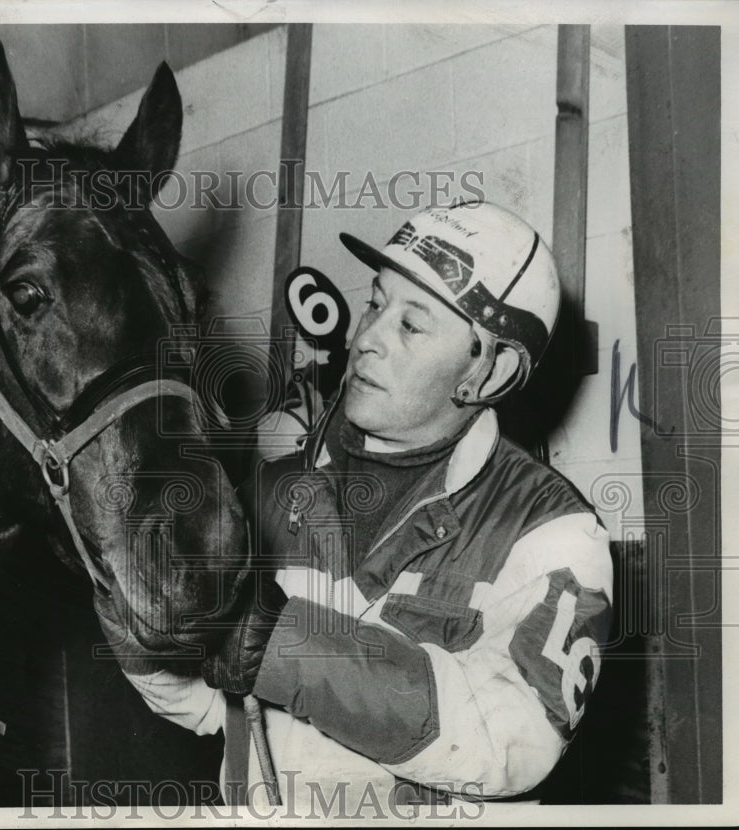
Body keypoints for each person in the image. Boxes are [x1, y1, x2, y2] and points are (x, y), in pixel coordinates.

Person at [95, 201, 614, 811]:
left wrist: (280, 647)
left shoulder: (554, 531)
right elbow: (217, 707)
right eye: (374, 303)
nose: (365, 339)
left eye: (411, 325)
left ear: (491, 372)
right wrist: (133, 614)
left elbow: (512, 740)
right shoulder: (266, 493)